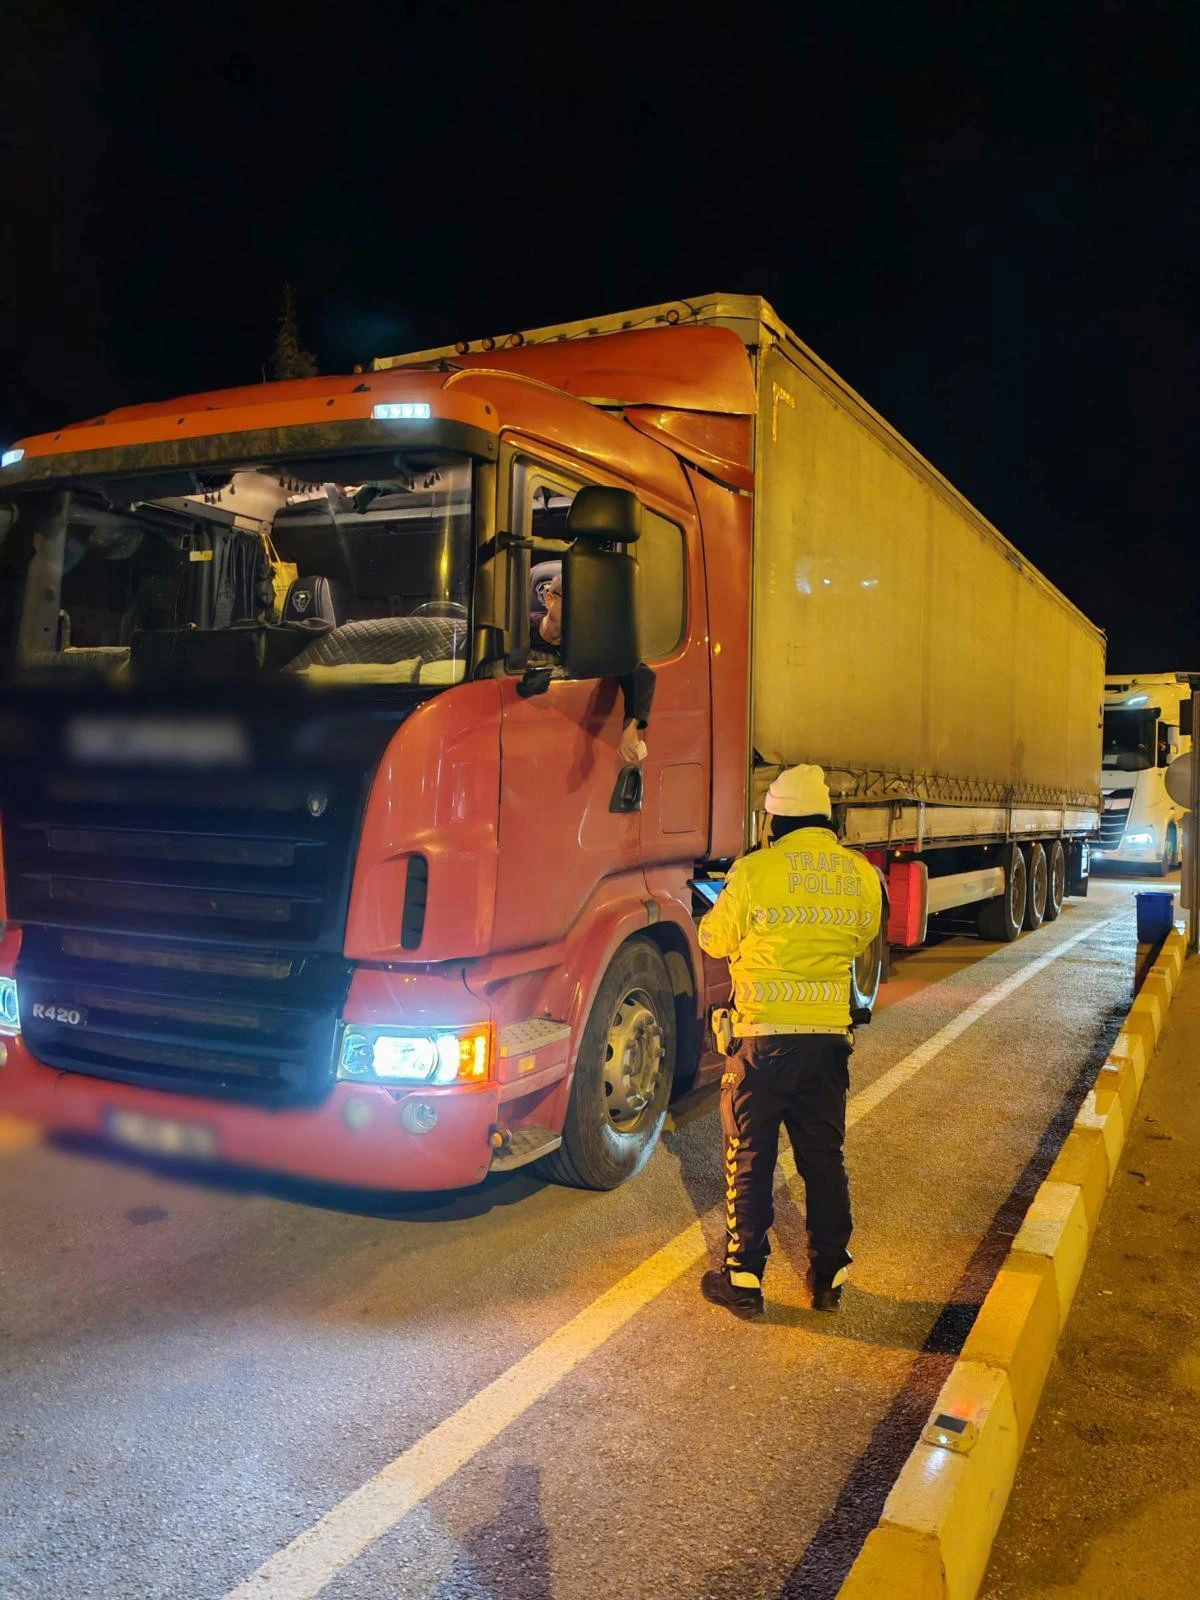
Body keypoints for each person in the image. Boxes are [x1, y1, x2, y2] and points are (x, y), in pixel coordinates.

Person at [697, 763, 883, 1320]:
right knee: (824, 1159)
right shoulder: (861, 873)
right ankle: (830, 1276)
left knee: (751, 1157)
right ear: (825, 820)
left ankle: (745, 1280)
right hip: (827, 1042)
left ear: (772, 822)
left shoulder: (754, 872)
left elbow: (714, 940)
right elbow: (862, 935)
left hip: (762, 1042)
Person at [533, 568, 654, 766]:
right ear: (549, 600)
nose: (581, 611)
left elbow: (640, 674)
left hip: (567, 743)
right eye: (574, 602)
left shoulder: (587, 644)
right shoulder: (517, 632)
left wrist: (630, 727)